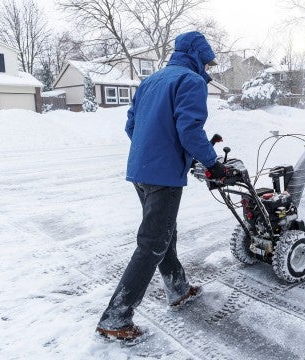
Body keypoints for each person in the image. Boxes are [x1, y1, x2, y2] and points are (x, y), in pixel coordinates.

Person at [96, 31, 227, 341]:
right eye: (206, 63)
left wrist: (153, 151)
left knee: (163, 233)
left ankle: (178, 288)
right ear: (196, 56)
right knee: (152, 243)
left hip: (140, 171)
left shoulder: (151, 81)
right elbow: (189, 129)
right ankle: (116, 318)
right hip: (163, 176)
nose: (207, 70)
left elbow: (131, 124)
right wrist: (213, 164)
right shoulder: (190, 82)